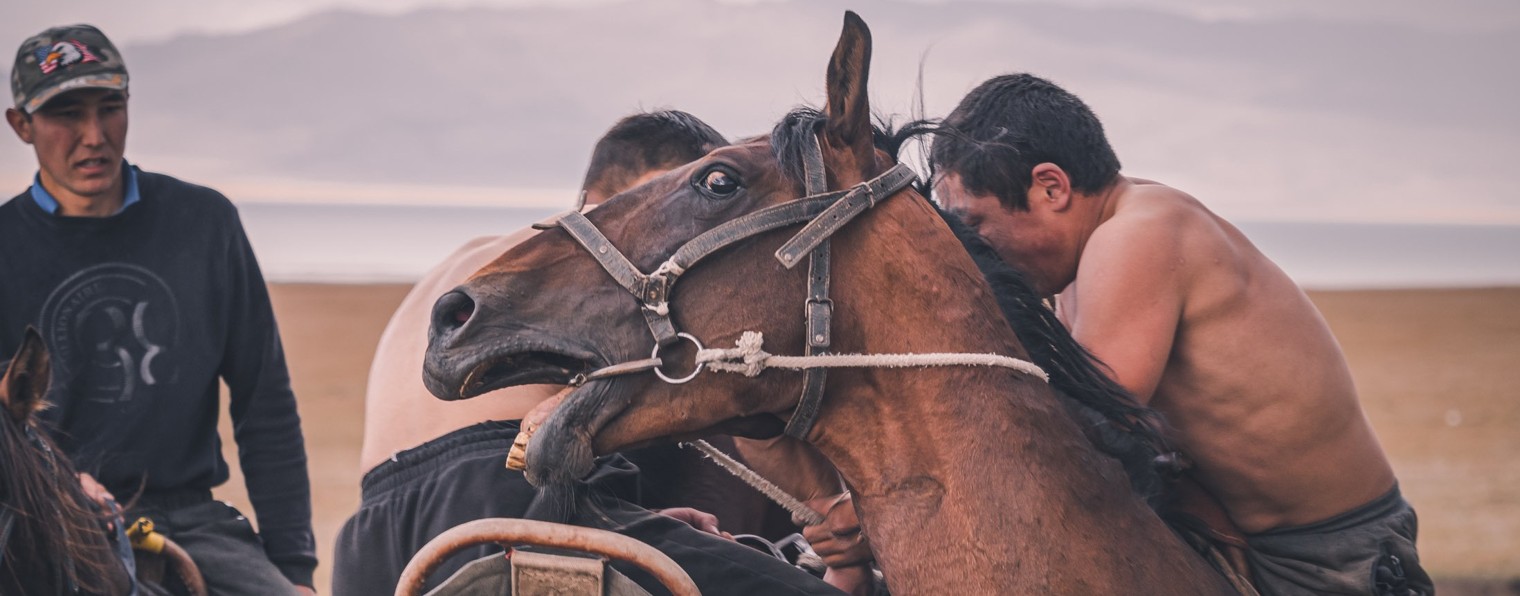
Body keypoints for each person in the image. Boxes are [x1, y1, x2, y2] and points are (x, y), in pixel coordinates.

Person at [925, 73, 1432, 595]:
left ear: (1051, 187)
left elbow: (1093, 425)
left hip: (1331, 554)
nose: (974, 247)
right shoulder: (1082, 261)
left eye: (976, 224)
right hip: (1226, 533)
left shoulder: (1140, 235)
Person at [333, 110, 835, 595]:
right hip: (503, 490)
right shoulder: (621, 261)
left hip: (372, 535)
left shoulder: (478, 257)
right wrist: (829, 509)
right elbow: (740, 409)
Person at [1, 24, 316, 594]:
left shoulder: (204, 224)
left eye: (109, 107)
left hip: (186, 520)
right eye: (66, 114)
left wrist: (295, 570)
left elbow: (263, 403)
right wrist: (60, 487)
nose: (93, 135)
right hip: (36, 518)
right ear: (21, 125)